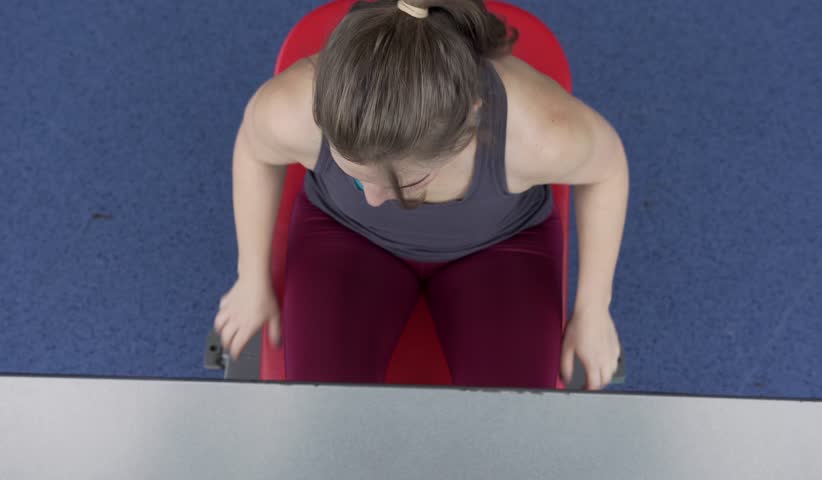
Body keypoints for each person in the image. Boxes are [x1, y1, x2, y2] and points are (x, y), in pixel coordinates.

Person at [214, 0, 627, 390]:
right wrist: (250, 278)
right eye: (356, 177)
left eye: (406, 185)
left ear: (468, 125)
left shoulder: (540, 132)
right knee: (327, 424)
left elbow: (607, 169)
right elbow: (254, 149)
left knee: (510, 444)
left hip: (501, 248)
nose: (373, 200)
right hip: (344, 235)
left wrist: (593, 307)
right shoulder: (292, 108)